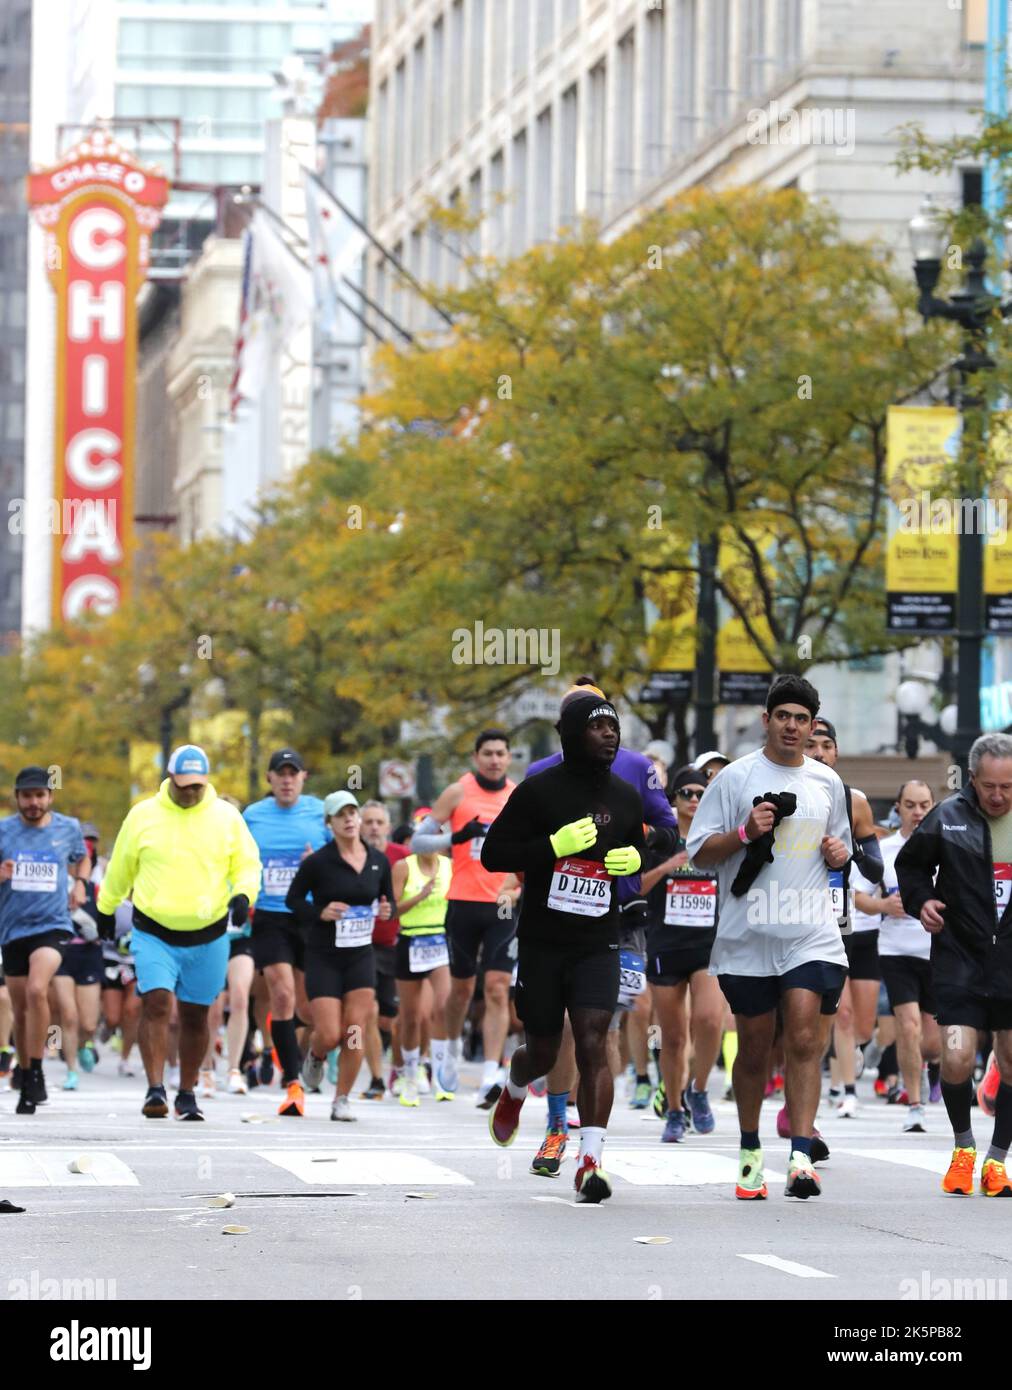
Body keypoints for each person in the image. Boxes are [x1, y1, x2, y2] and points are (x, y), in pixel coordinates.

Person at [687, 675, 851, 1200]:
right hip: (748, 932)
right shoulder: (734, 779)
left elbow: (841, 848)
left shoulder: (827, 783)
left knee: (805, 1036)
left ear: (812, 727)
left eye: (802, 719)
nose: (792, 726)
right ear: (766, 720)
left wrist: (837, 857)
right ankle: (751, 1150)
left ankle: (801, 1156)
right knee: (755, 1047)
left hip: (810, 931)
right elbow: (698, 851)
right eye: (783, 716)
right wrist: (744, 833)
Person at [482, 693, 646, 1202]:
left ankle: (591, 1161)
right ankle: (515, 1086)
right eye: (598, 727)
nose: (609, 735)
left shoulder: (624, 796)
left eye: (614, 728)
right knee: (547, 1050)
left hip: (598, 940)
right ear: (572, 735)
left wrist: (631, 859)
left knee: (595, 1039)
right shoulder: (537, 792)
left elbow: (646, 842)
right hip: (543, 942)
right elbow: (494, 854)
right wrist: (552, 847)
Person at [523, 679, 677, 1177]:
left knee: (597, 1028)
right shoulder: (539, 775)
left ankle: (591, 1150)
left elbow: (668, 829)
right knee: (562, 1031)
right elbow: (512, 848)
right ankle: (554, 1126)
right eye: (583, 715)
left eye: (605, 717)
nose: (599, 727)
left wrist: (635, 848)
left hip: (620, 917)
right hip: (551, 921)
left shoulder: (636, 769)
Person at [96, 745, 261, 1121]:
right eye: (183, 785)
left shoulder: (227, 818)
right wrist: (106, 907)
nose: (189, 793)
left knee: (195, 1015)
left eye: (197, 787)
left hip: (209, 934)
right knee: (156, 1002)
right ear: (170, 778)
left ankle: (186, 1092)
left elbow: (248, 865)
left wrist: (242, 895)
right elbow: (121, 866)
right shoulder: (143, 816)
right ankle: (156, 1088)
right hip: (154, 930)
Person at [896, 733, 1012, 1195]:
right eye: (990, 787)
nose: (999, 796)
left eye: (1008, 786)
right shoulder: (948, 818)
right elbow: (911, 868)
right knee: (959, 1056)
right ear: (972, 781)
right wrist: (922, 901)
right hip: (961, 959)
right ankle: (964, 1149)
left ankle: (997, 1160)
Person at [411, 730, 517, 1107]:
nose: (493, 760)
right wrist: (456, 838)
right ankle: (449, 1050)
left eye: (500, 753)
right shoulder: (457, 793)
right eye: (487, 753)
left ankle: (491, 1071)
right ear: (476, 757)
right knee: (460, 990)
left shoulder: (517, 796)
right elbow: (417, 843)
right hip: (463, 902)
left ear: (508, 758)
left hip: (503, 903)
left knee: (497, 987)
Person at [288, 792, 392, 1121]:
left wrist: (387, 910)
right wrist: (320, 912)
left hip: (360, 955)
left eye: (352, 813)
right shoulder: (318, 862)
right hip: (324, 955)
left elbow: (386, 902)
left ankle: (341, 1099)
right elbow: (294, 901)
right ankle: (316, 1056)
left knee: (355, 1028)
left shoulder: (378, 860)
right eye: (340, 815)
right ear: (329, 823)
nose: (348, 819)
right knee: (331, 1033)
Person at [800, 717, 885, 1119]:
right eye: (812, 744)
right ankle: (803, 1091)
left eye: (826, 745)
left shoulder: (856, 802)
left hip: (838, 917)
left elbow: (875, 872)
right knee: (796, 1013)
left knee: (838, 1013)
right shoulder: (783, 792)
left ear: (836, 752)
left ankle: (832, 1092)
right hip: (789, 913)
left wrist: (848, 849)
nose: (819, 752)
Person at [242, 750, 328, 1116]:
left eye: (294, 773)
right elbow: (237, 857)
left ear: (303, 777)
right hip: (269, 916)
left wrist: (317, 865)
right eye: (281, 774)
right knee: (281, 994)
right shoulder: (252, 816)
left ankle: (313, 1055)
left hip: (308, 916)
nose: (287, 780)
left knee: (309, 1008)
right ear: (269, 778)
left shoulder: (319, 812)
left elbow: (343, 854)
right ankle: (292, 1083)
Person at [0, 766, 89, 1113]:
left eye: (40, 795)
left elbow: (81, 858)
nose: (34, 802)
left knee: (38, 989)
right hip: (12, 929)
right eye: (27, 796)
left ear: (50, 796)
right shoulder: (4, 830)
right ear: (17, 797)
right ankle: (26, 1070)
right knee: (21, 1012)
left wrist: (80, 883)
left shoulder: (68, 828)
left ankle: (35, 1071)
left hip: (52, 926)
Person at [642, 765, 723, 1142]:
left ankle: (700, 1089)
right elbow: (634, 888)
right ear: (673, 799)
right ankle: (674, 1109)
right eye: (686, 794)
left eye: (700, 794)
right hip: (665, 944)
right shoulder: (660, 839)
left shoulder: (715, 839)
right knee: (671, 1038)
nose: (693, 800)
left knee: (708, 1019)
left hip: (708, 944)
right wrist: (668, 866)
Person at [863, 781, 940, 1134]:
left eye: (924, 804)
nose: (918, 811)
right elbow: (858, 896)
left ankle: (889, 1050)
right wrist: (882, 905)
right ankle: (915, 1104)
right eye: (910, 805)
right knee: (908, 1027)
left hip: (937, 951)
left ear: (933, 806)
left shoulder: (947, 846)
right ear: (899, 808)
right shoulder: (884, 849)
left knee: (933, 1041)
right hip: (896, 950)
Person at [392, 844, 452, 1106]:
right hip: (410, 940)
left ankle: (440, 1076)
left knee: (441, 1008)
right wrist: (421, 895)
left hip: (440, 939)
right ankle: (409, 1074)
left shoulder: (449, 865)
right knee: (411, 1017)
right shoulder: (404, 866)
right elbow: (393, 910)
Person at [359, 800, 410, 1099]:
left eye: (379, 822)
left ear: (388, 827)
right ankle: (377, 1077)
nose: (374, 828)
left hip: (398, 943)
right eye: (369, 822)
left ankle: (405, 1065)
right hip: (362, 944)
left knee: (392, 1016)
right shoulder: (351, 856)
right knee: (369, 1010)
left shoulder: (403, 857)